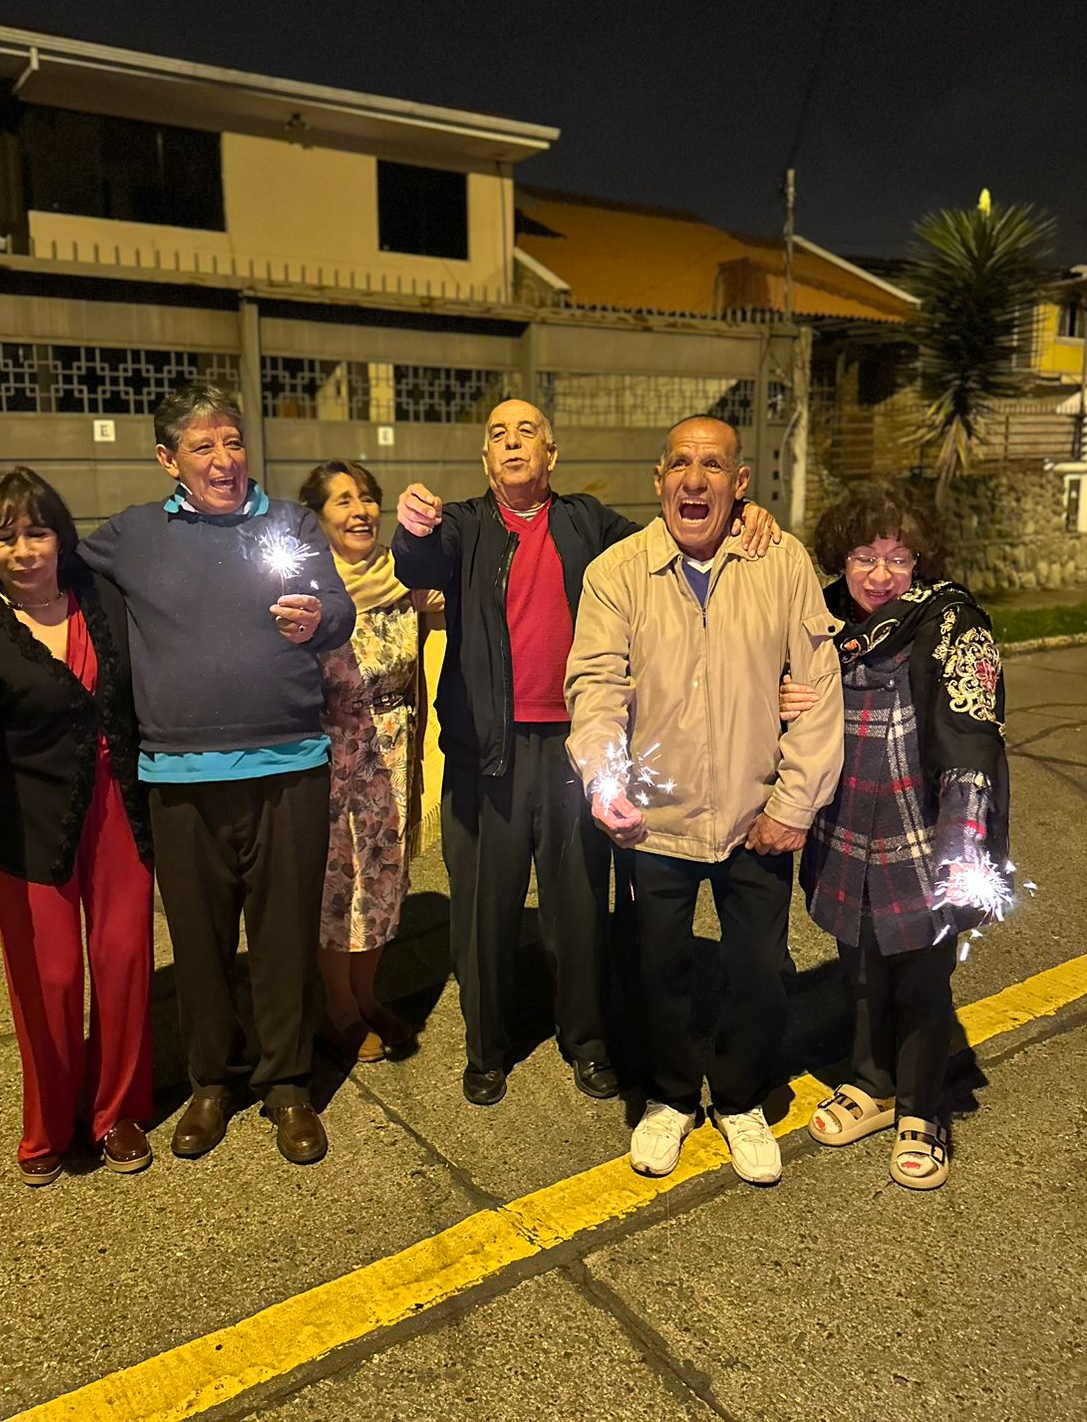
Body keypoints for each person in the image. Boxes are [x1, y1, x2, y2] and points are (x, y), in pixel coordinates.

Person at [0, 384, 355, 1166]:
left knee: (284, 940)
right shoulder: (133, 535)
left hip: (289, 765)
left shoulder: (290, 524)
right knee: (199, 944)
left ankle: (289, 1086)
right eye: (202, 446)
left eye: (232, 441)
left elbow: (338, 608)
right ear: (168, 460)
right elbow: (34, 559)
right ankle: (213, 1083)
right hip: (177, 777)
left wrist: (322, 618)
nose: (223, 459)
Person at [391, 398, 779, 1107]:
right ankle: (487, 1048)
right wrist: (412, 527)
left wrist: (743, 515)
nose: (513, 442)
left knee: (578, 907)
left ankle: (588, 1041)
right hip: (487, 752)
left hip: (575, 747)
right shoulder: (464, 525)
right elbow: (417, 562)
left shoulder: (585, 522)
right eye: (499, 434)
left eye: (528, 432)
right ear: (486, 459)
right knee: (484, 912)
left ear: (552, 455)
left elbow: (673, 536)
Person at [565, 415, 844, 1185]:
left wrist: (794, 804)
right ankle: (670, 1096)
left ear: (739, 483)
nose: (695, 480)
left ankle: (743, 1098)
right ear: (659, 480)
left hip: (758, 814)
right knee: (658, 970)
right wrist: (605, 781)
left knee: (759, 971)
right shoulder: (617, 573)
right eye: (681, 465)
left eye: (714, 465)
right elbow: (595, 689)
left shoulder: (781, 561)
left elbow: (818, 688)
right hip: (655, 820)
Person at [0, 468, 153, 1187]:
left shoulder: (101, 592)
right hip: (28, 822)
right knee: (49, 979)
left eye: (37, 532)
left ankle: (118, 1113)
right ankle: (49, 1126)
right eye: (4, 539)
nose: (24, 551)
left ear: (61, 536)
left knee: (123, 960)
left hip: (120, 808)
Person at [780, 478, 1009, 1191]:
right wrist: (784, 696)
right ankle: (871, 1080)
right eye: (864, 557)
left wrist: (962, 847)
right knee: (860, 963)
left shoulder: (954, 624)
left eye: (898, 559)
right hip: (846, 820)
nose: (880, 575)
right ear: (840, 560)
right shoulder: (822, 618)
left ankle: (922, 1107)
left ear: (921, 561)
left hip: (924, 826)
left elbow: (972, 739)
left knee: (922, 975)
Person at [298, 459, 442, 1065]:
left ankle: (364, 994)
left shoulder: (403, 577)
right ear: (317, 518)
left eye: (366, 499)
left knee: (383, 882)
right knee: (339, 886)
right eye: (343, 501)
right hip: (333, 759)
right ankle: (337, 1006)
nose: (360, 511)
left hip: (395, 755)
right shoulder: (307, 592)